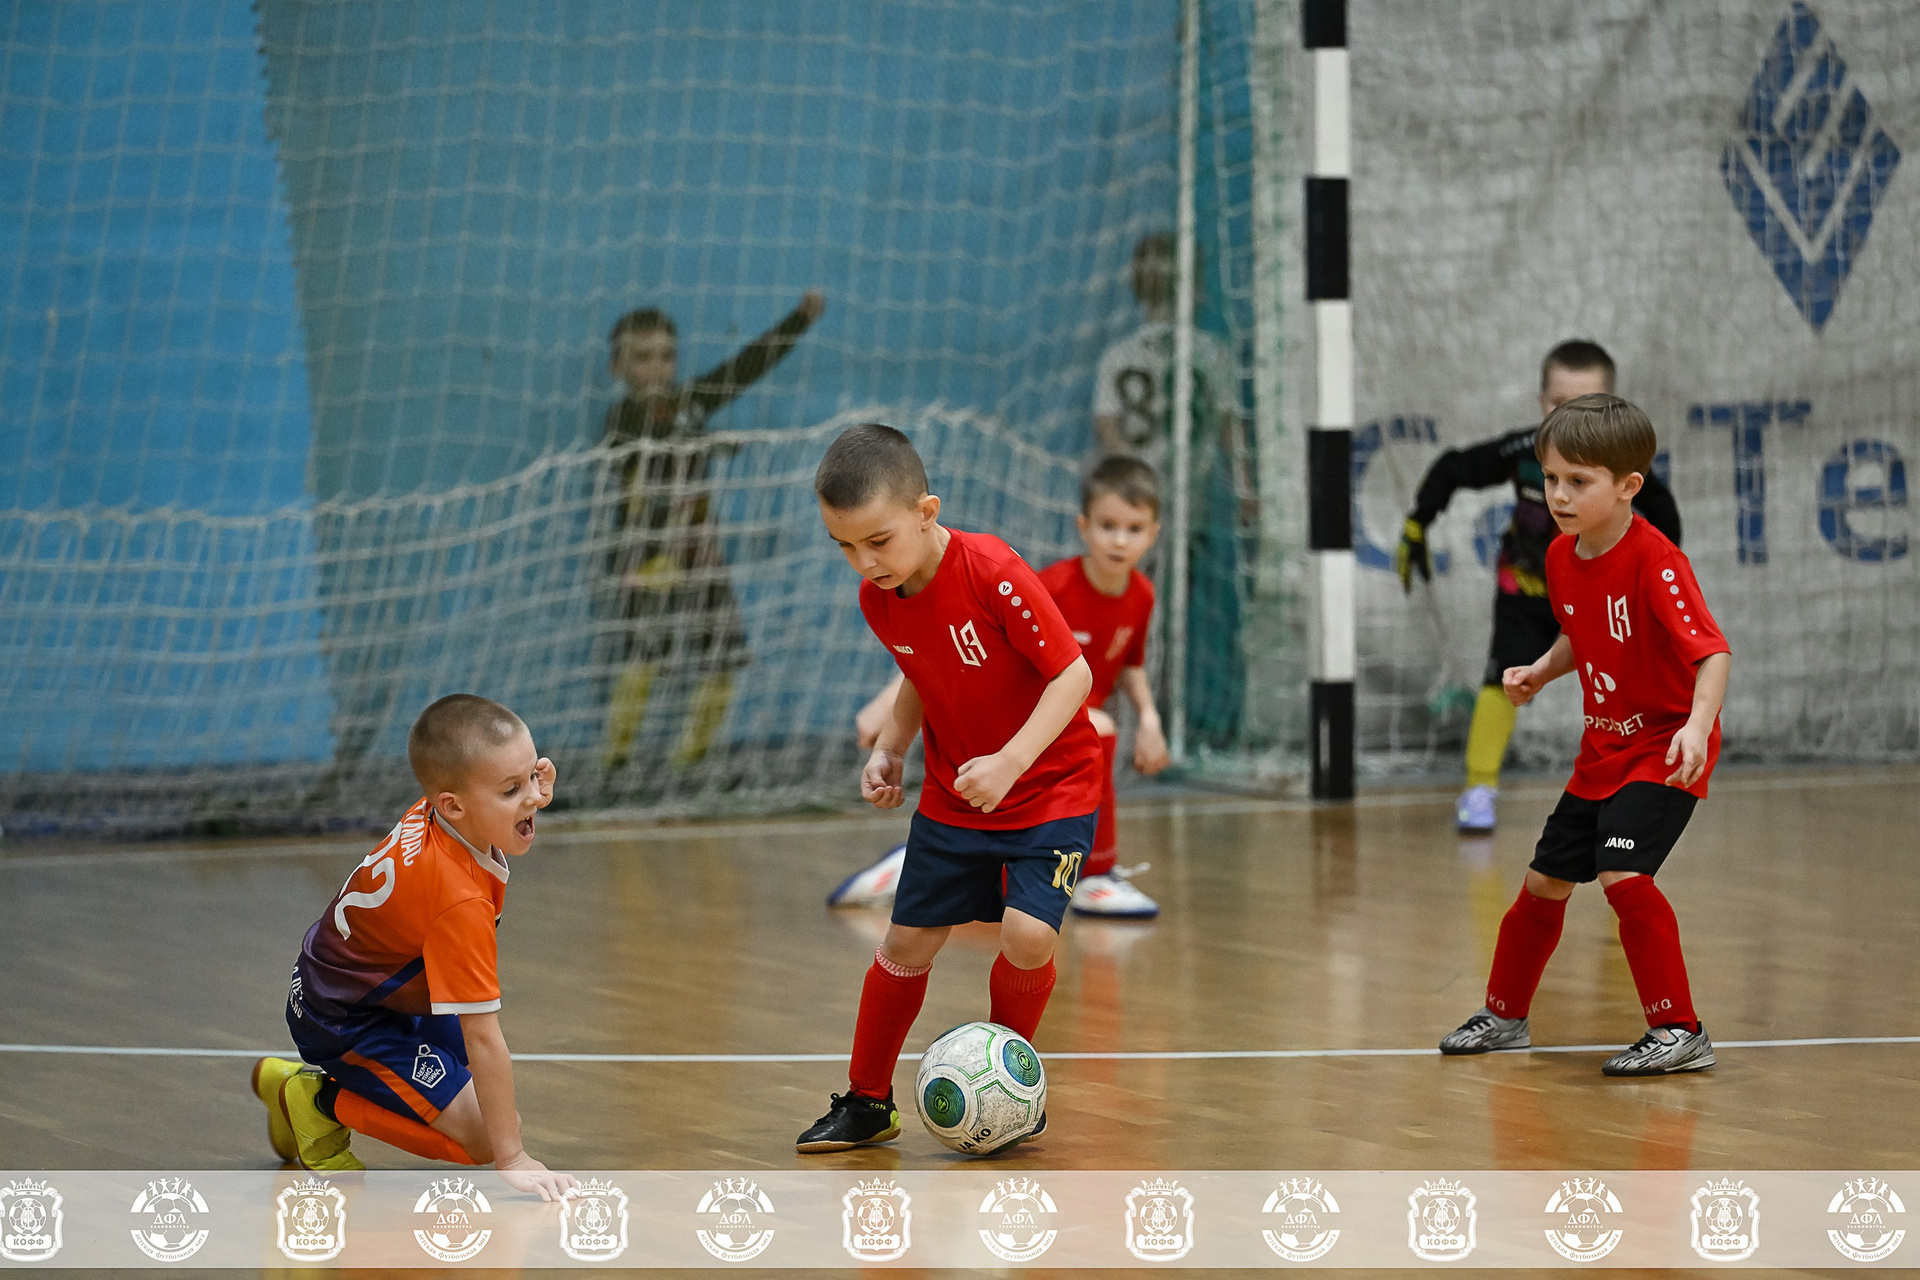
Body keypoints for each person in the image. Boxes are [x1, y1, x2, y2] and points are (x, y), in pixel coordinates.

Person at [797, 423, 1104, 1151]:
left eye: (878, 541)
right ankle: (868, 1102)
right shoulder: (882, 597)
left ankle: (1010, 1089)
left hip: (1051, 787)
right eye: (845, 547)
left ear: (926, 512)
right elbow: (921, 669)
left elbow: (1074, 675)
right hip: (957, 795)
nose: (865, 562)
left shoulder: (993, 570)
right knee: (905, 941)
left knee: (1028, 935)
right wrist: (891, 748)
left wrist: (1011, 762)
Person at [1437, 394, 1730, 1076]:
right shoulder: (1561, 557)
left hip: (1663, 748)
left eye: (1579, 481)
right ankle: (1505, 1017)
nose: (1560, 496)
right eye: (1551, 479)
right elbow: (1582, 629)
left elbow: (1713, 652)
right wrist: (1541, 671)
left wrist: (1696, 727)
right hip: (1602, 751)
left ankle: (1679, 1030)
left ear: (1629, 486)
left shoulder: (1658, 561)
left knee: (1622, 873)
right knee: (1543, 882)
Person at [251, 695, 577, 1197]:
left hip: (380, 989)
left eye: (533, 775)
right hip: (343, 1019)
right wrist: (513, 1158)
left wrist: (522, 793)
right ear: (453, 805)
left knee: (493, 1109)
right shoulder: (457, 900)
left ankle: (316, 1093)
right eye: (512, 789)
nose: (534, 797)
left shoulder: (439, 811)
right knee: (488, 1139)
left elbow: (485, 792)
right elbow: (483, 1036)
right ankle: (314, 1101)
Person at [828, 457, 1171, 917]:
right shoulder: (1048, 585)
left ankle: (914, 865)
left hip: (1062, 732)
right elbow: (944, 647)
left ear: (1153, 534)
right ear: (1084, 527)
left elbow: (1129, 662)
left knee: (1017, 893)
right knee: (1100, 729)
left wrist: (1149, 717)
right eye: (1108, 526)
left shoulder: (1142, 594)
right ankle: (1096, 875)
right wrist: (885, 709)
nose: (1120, 540)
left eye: (1134, 528)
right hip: (1027, 718)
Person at [1397, 340, 1681, 832]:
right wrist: (1418, 520)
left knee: (1622, 689)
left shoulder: (1623, 465)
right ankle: (1479, 789)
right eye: (1558, 404)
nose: (1570, 418)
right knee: (1502, 681)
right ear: (1541, 403)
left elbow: (1665, 514)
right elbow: (1454, 466)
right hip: (1526, 591)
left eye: (1586, 406)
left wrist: (1657, 581)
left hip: (1598, 598)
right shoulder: (1522, 450)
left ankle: (1629, 786)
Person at [600, 291, 825, 775]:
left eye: (666, 356)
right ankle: (614, 765)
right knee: (646, 655)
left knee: (723, 654)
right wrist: (706, 443)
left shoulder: (692, 402)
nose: (657, 368)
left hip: (699, 550)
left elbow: (746, 367)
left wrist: (799, 319)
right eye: (643, 358)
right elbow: (643, 457)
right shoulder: (621, 418)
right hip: (647, 555)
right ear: (618, 367)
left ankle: (689, 764)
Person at [1094, 232, 1247, 748]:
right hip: (1188, 506)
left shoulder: (1119, 355)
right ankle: (1163, 721)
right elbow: (1230, 433)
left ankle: (1135, 722)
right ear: (1196, 289)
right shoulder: (1213, 353)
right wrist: (1248, 493)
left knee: (1133, 616)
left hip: (1132, 513)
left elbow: (1109, 433)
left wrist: (1130, 491)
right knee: (1174, 620)